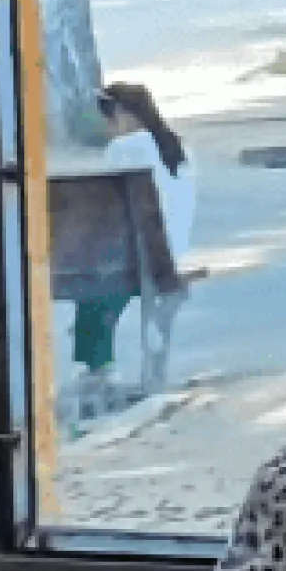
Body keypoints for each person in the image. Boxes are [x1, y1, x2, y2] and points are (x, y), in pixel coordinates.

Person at [70, 81, 197, 388]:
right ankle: (110, 367)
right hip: (171, 253)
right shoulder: (180, 149)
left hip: (143, 256)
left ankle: (97, 370)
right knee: (100, 286)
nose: (107, 126)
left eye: (108, 117)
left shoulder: (125, 149)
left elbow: (108, 217)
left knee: (91, 288)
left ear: (125, 115)